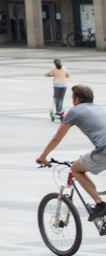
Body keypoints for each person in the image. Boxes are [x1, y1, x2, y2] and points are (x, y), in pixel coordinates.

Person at [36, 84, 106, 231]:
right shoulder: (98, 108)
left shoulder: (74, 111)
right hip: (102, 150)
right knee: (82, 164)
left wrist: (43, 156)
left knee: (75, 169)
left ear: (77, 99)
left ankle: (100, 205)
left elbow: (56, 138)